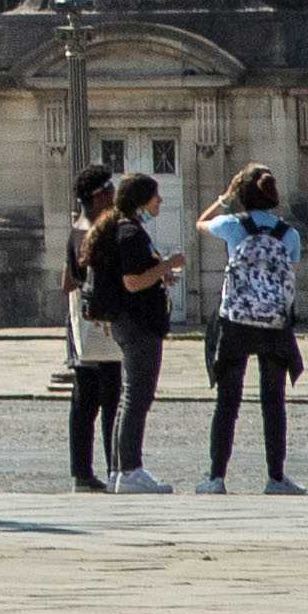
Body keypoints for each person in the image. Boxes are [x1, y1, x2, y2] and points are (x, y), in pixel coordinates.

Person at [197, 160, 308, 494]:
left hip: (236, 321)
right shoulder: (289, 234)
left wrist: (225, 197)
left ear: (243, 194)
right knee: (273, 402)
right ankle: (276, 477)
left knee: (227, 402)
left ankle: (216, 477)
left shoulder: (232, 226)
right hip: (274, 323)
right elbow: (289, 271)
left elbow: (200, 223)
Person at [90, 168, 178, 489]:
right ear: (142, 199)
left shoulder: (127, 230)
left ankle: (118, 468)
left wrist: (160, 274)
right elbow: (132, 281)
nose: (160, 201)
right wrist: (168, 265)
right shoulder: (131, 233)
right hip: (139, 323)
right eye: (156, 195)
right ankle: (129, 468)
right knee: (137, 397)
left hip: (132, 322)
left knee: (131, 396)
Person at [58, 161, 126, 494]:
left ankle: (83, 471)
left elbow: (66, 281)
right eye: (111, 191)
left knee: (85, 401)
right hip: (102, 324)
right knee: (109, 399)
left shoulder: (76, 229)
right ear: (100, 197)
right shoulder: (102, 232)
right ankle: (113, 467)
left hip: (81, 325)